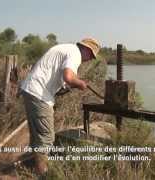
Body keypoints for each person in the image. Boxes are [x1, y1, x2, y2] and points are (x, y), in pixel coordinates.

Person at [20, 37, 100, 176]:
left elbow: (61, 80)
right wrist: (80, 83)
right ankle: (43, 175)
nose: (90, 59)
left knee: (38, 136)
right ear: (86, 49)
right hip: (39, 94)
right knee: (46, 137)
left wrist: (68, 86)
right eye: (91, 56)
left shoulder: (66, 49)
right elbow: (69, 77)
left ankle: (34, 168)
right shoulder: (75, 53)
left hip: (32, 90)